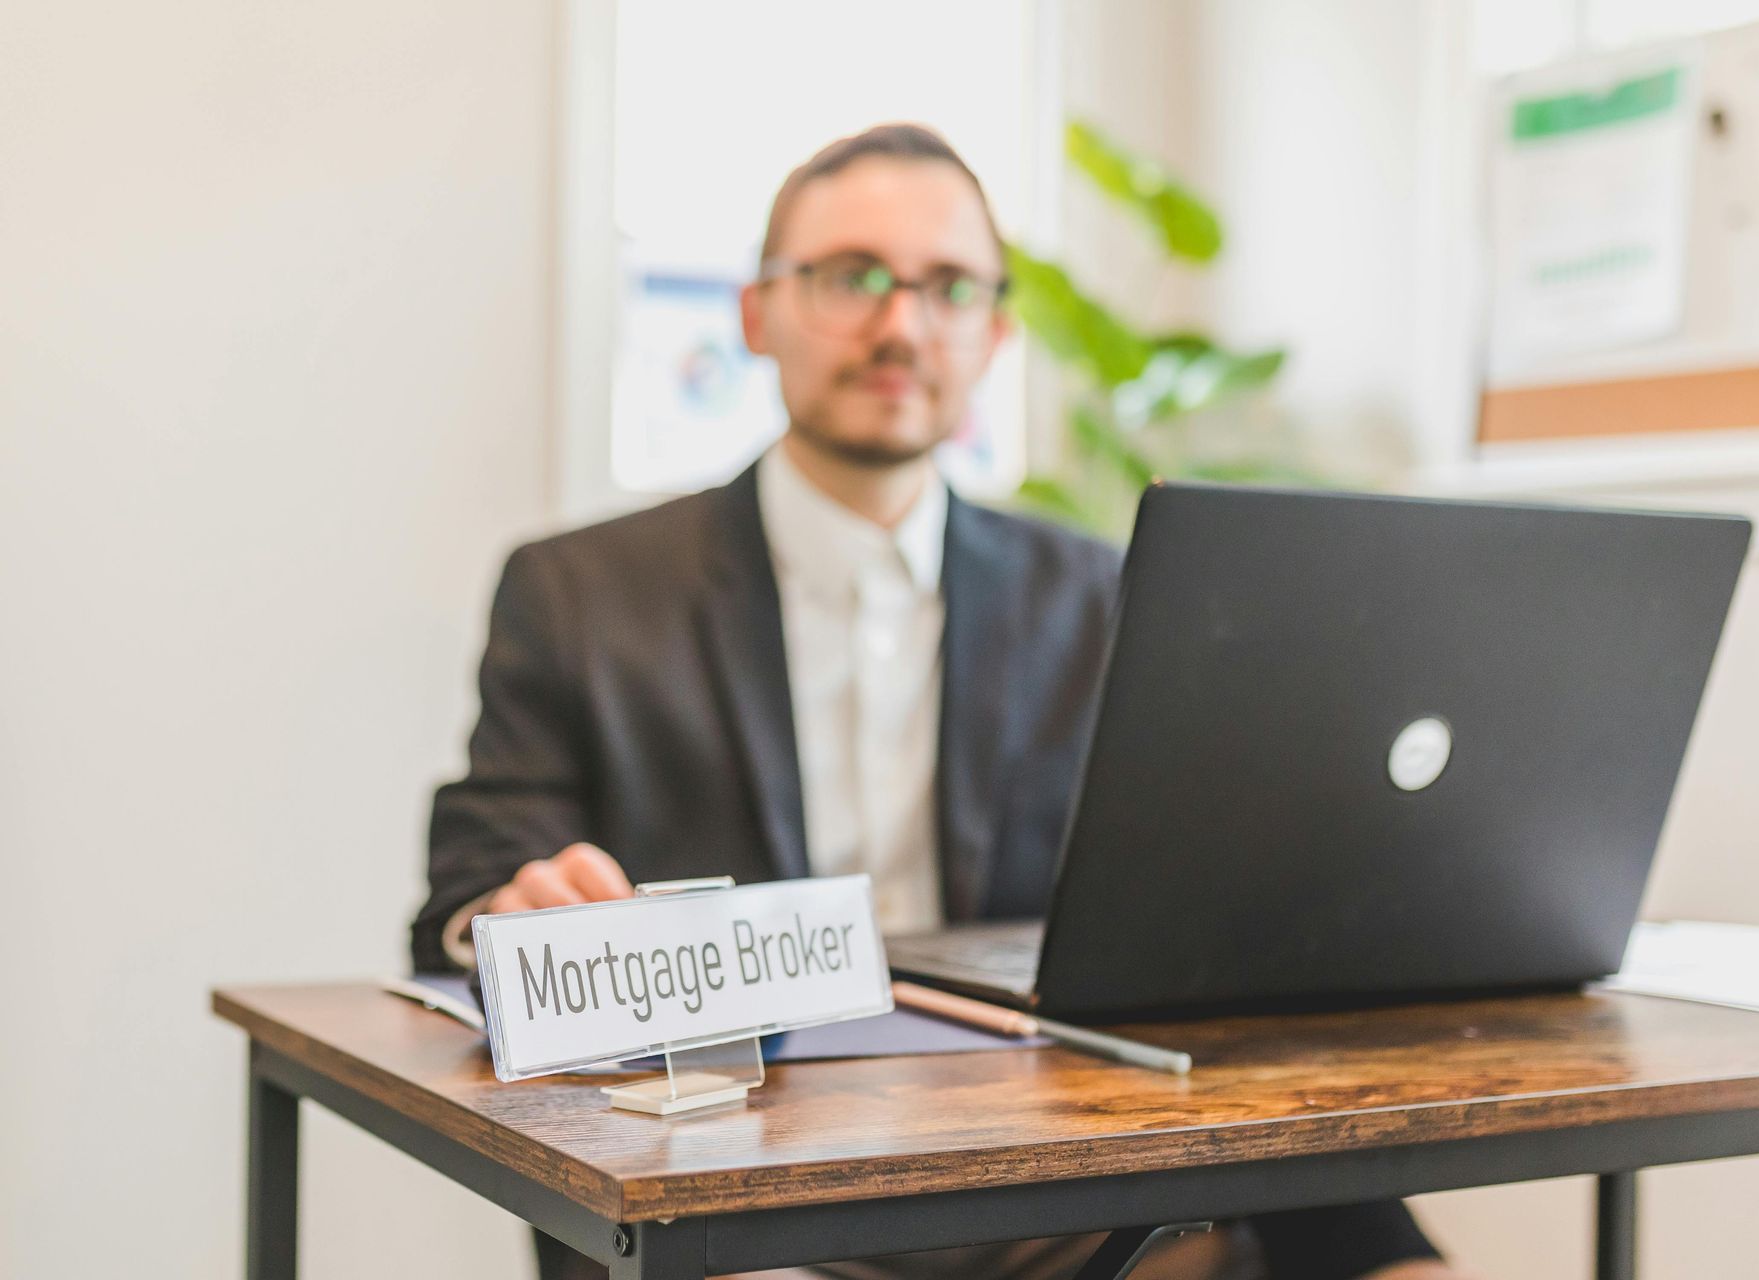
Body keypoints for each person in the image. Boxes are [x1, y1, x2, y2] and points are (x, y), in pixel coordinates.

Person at [413, 123, 1466, 1280]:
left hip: (1044, 1170)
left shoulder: (1097, 590)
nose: (900, 324)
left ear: (997, 330)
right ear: (758, 313)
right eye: (849, 276)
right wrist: (518, 906)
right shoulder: (581, 591)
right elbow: (465, 887)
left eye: (949, 286)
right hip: (726, 1187)